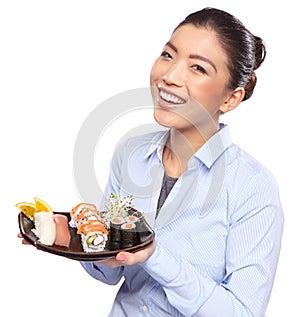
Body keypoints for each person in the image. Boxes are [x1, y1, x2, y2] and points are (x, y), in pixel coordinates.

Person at [19, 7, 284, 317]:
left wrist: (154, 256)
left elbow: (243, 312)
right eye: (167, 55)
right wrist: (73, 240)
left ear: (231, 99)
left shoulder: (253, 187)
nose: (169, 76)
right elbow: (110, 272)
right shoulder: (131, 154)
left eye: (197, 68)